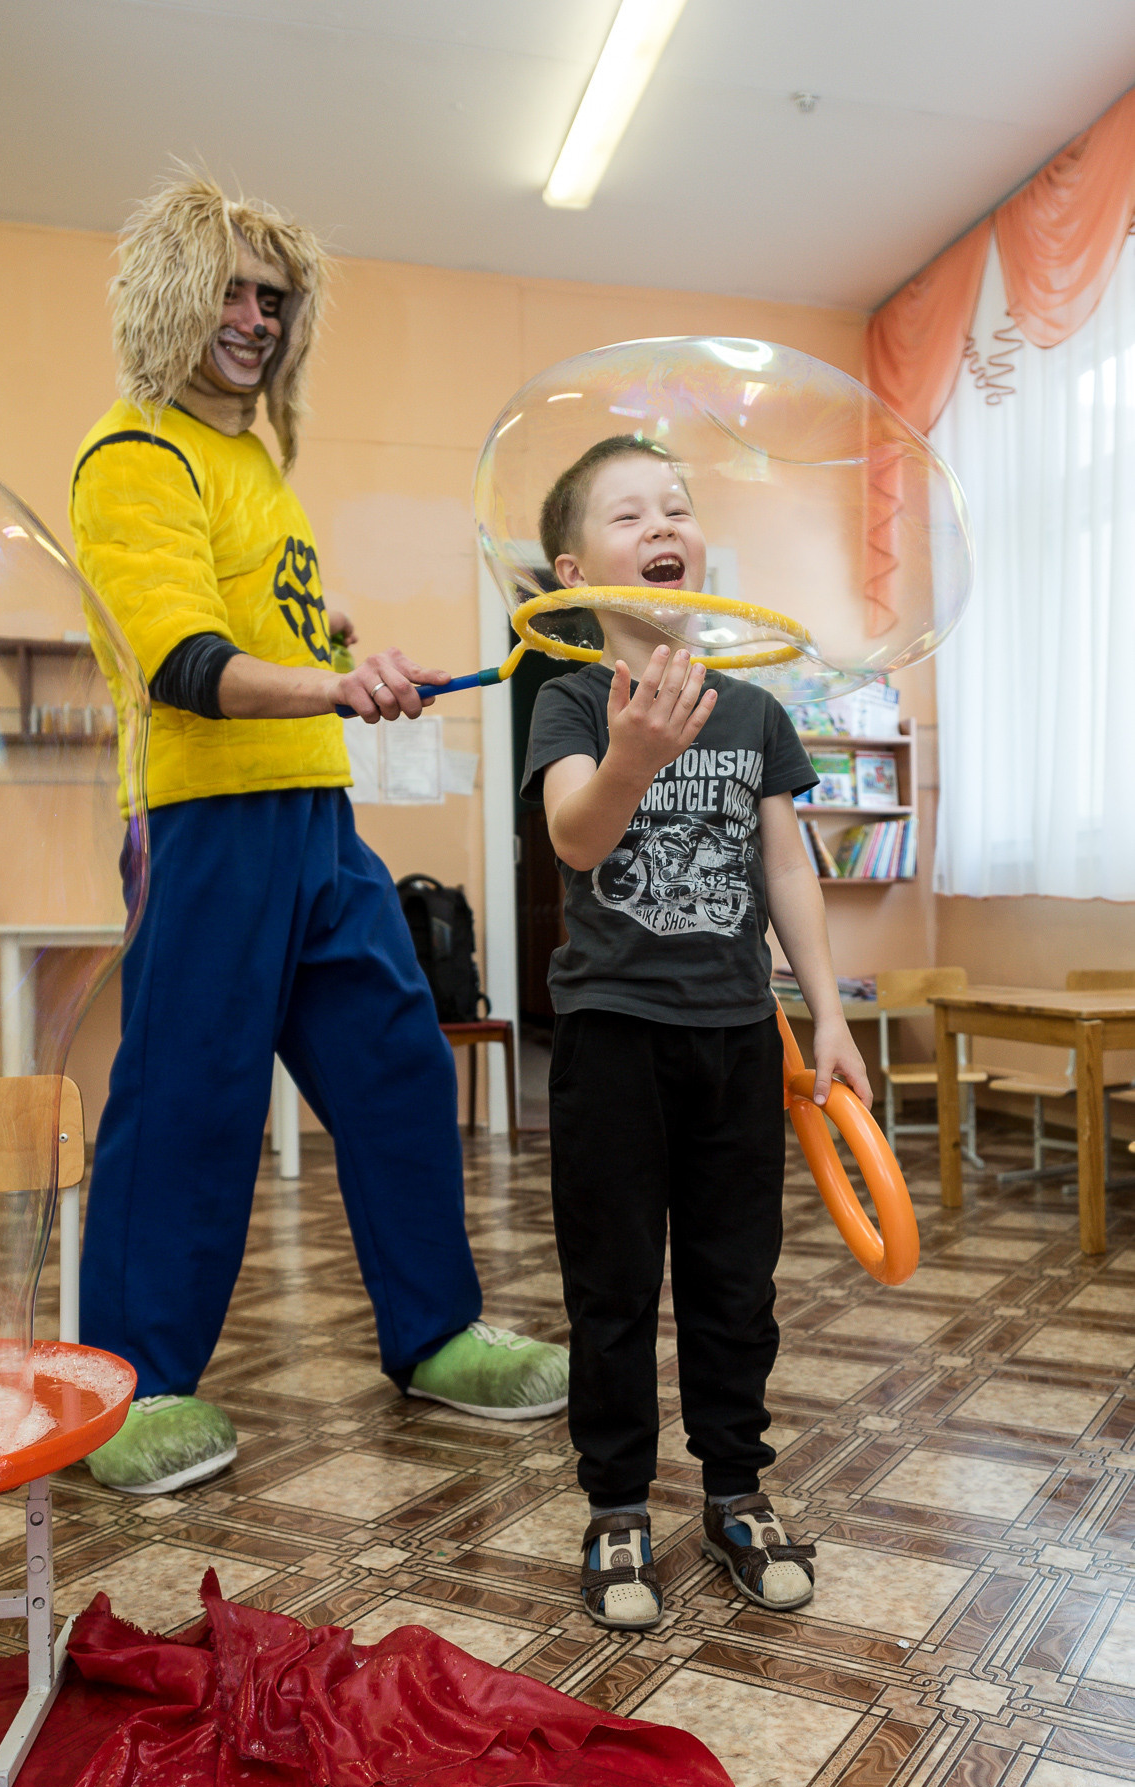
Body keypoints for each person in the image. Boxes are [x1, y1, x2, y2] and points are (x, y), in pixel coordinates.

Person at [69, 173, 567, 1497]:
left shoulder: (251, 470)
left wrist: (340, 642)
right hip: (208, 821)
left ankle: (437, 1331)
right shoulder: (135, 456)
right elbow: (183, 661)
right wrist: (333, 684)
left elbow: (273, 617)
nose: (253, 319)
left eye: (273, 299)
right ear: (170, 297)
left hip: (316, 819)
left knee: (400, 1064)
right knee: (189, 1100)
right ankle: (124, 1385)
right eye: (230, 291)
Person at [521, 435, 872, 1630]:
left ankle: (735, 1488)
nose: (663, 523)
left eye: (676, 506)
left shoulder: (756, 710)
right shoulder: (569, 699)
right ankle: (616, 1505)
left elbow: (786, 862)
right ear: (574, 568)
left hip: (736, 1037)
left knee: (735, 1282)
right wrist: (630, 754)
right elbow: (574, 835)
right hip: (613, 1037)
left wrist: (821, 1013)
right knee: (611, 1285)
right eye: (630, 513)